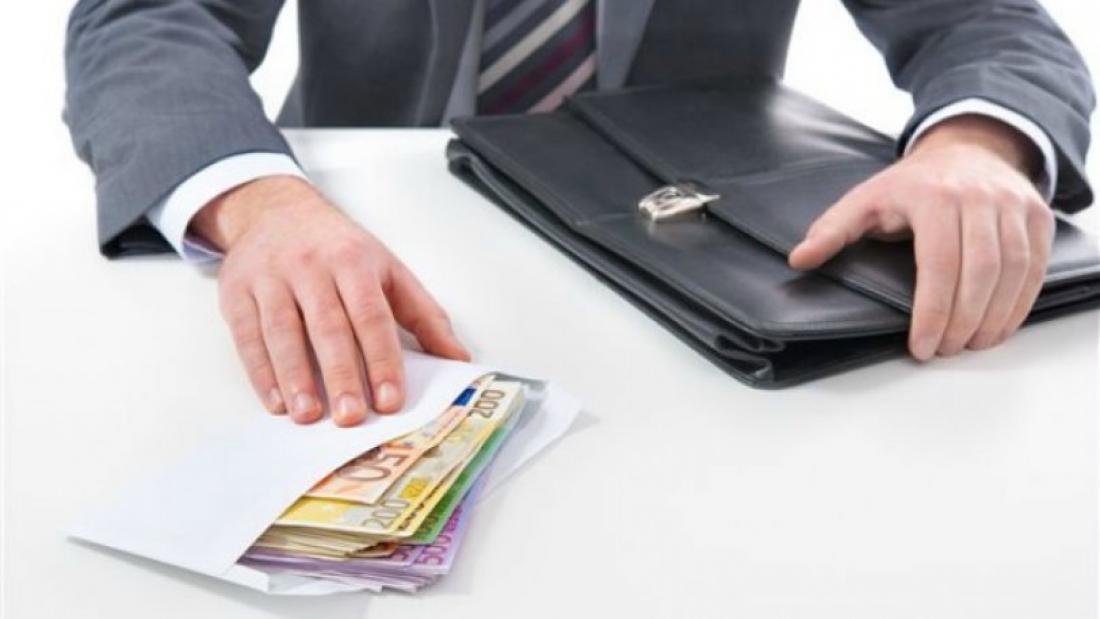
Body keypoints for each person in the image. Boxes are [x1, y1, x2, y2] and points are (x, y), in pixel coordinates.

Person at [64, 0, 1094, 427]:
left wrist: (975, 145)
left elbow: (981, 21)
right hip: (371, 246)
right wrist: (254, 202)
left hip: (698, 289)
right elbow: (149, 15)